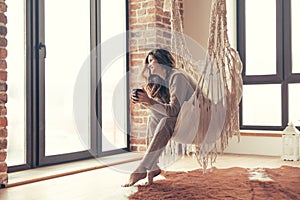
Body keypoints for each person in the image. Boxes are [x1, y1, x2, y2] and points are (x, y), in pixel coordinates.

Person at [122, 48, 196, 187]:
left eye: (151, 61)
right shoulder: (160, 81)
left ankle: (142, 168)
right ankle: (153, 166)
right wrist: (143, 101)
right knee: (153, 118)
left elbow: (174, 111)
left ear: (162, 61)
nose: (148, 65)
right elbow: (161, 109)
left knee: (166, 120)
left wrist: (149, 101)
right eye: (147, 62)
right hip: (179, 118)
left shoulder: (177, 77)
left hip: (194, 119)